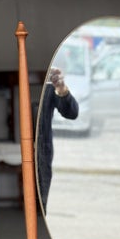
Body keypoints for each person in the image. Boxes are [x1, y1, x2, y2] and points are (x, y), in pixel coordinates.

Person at [36, 67, 78, 210]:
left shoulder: (48, 80)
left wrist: (62, 89)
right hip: (21, 149)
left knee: (41, 207)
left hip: (41, 157)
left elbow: (72, 113)